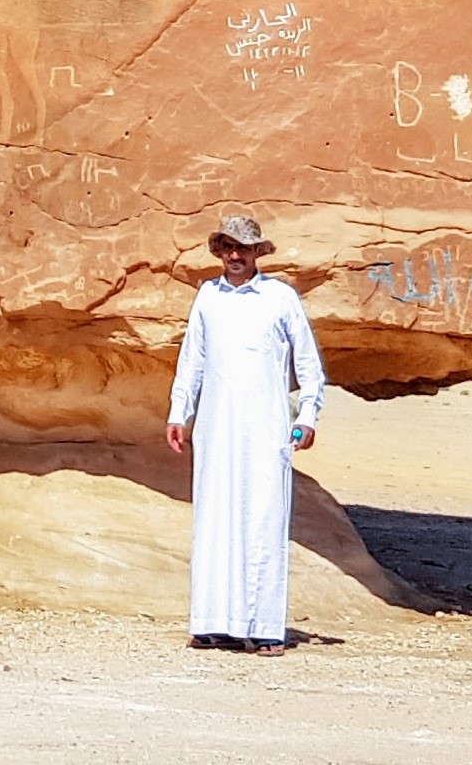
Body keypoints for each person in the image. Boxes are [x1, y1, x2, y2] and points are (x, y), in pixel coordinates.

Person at [164, 214, 326, 654]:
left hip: (266, 429)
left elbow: (309, 366)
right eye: (229, 247)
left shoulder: (280, 297)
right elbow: (192, 360)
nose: (236, 255)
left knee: (263, 520)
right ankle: (211, 622)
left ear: (257, 252)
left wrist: (307, 416)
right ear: (219, 251)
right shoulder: (207, 297)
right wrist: (180, 413)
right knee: (215, 519)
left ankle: (265, 627)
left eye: (245, 248)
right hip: (216, 430)